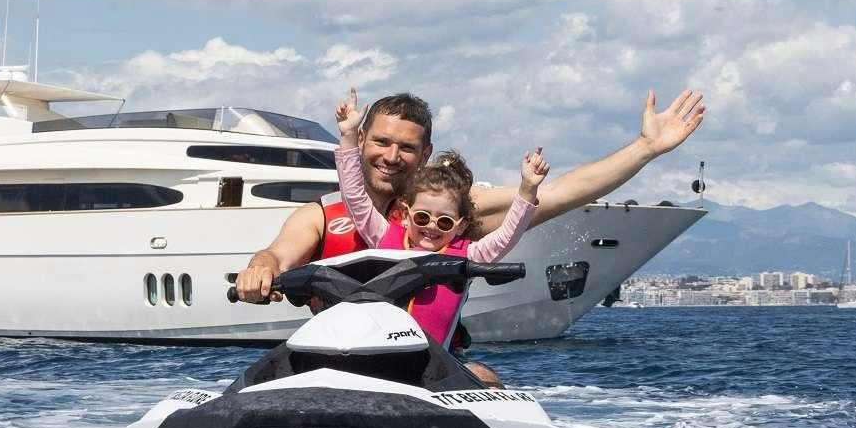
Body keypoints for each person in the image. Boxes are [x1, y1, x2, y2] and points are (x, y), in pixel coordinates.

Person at [235, 86, 705, 302]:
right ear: (360, 142)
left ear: (426, 155)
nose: (391, 156)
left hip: (423, 364)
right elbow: (276, 255)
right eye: (381, 142)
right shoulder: (323, 216)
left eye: (407, 147)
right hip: (336, 360)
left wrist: (646, 148)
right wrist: (260, 270)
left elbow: (563, 193)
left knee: (486, 381)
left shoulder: (453, 216)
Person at [334, 88, 548, 346]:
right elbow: (355, 196)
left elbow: (506, 237)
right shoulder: (383, 236)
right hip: (377, 354)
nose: (432, 227)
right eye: (423, 217)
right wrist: (347, 136)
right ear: (405, 215)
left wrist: (527, 189)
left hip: (431, 364)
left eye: (444, 221)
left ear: (461, 226)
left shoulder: (468, 256)